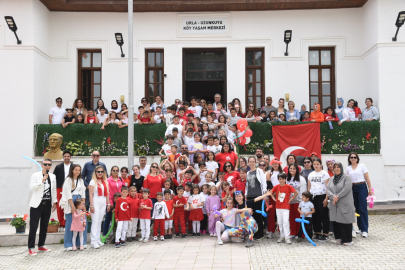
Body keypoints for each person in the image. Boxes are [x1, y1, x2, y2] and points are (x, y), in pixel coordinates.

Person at [28, 159, 57, 256]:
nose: (47, 166)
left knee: (44, 226)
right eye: (45, 164)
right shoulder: (35, 175)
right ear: (42, 165)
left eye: (49, 164)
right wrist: (42, 180)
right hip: (36, 204)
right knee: (34, 227)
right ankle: (31, 247)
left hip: (47, 204)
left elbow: (53, 190)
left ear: (51, 166)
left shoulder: (53, 176)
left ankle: (41, 245)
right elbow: (31, 188)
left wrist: (54, 202)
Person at [59, 164, 87, 251]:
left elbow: (83, 193)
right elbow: (67, 194)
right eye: (76, 170)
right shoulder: (68, 180)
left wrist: (83, 205)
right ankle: (69, 244)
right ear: (72, 170)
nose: (77, 172)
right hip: (71, 200)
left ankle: (81, 243)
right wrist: (72, 206)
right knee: (71, 222)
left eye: (79, 170)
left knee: (82, 220)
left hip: (79, 200)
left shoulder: (81, 180)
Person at [327, 162, 356, 246]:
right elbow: (328, 189)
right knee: (337, 221)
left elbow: (346, 188)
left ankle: (347, 240)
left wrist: (337, 197)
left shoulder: (347, 177)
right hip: (335, 203)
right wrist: (333, 197)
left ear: (341, 168)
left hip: (344, 202)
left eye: (338, 167)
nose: (336, 169)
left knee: (345, 221)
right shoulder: (331, 179)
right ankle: (340, 238)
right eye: (335, 167)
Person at [346, 152, 373, 238]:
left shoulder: (362, 166)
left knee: (363, 208)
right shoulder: (348, 168)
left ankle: (365, 230)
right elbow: (347, 180)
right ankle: (360, 228)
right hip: (353, 187)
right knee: (357, 209)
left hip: (362, 187)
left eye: (355, 157)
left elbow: (367, 179)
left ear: (357, 158)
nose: (353, 158)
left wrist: (370, 190)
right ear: (349, 159)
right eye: (351, 157)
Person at [270, 173, 298, 244]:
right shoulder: (276, 187)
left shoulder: (288, 186)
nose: (281, 180)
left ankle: (287, 237)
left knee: (285, 221)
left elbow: (295, 193)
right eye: (280, 179)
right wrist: (274, 199)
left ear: (285, 179)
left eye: (282, 179)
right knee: (280, 222)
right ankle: (281, 236)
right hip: (278, 206)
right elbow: (270, 193)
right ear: (278, 179)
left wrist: (290, 200)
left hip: (285, 206)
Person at [308, 158, 330, 241]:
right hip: (313, 196)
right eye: (314, 164)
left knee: (323, 215)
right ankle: (317, 232)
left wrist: (326, 198)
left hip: (322, 196)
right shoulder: (311, 174)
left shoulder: (324, 173)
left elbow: (327, 186)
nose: (316, 166)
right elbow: (309, 187)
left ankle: (325, 233)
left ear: (320, 165)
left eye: (317, 164)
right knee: (315, 215)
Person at [245, 157, 267, 240]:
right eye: (250, 162)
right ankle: (253, 232)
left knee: (258, 215)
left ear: (255, 163)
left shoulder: (259, 171)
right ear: (248, 163)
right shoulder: (247, 173)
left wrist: (264, 194)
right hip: (250, 196)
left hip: (258, 195)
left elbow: (264, 183)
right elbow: (247, 185)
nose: (251, 163)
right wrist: (246, 195)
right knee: (252, 216)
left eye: (253, 162)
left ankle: (260, 233)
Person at [88, 165, 110, 249]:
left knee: (100, 221)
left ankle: (97, 239)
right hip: (96, 200)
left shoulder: (105, 181)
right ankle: (93, 241)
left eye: (101, 171)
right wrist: (91, 205)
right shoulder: (92, 181)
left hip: (103, 201)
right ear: (95, 172)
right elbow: (90, 194)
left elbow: (107, 193)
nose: (100, 173)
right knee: (95, 222)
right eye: (98, 172)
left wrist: (108, 204)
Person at [286, 163, 308, 238]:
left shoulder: (301, 179)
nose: (292, 170)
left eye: (294, 169)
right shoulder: (287, 178)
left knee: (299, 218)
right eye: (290, 168)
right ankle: (293, 233)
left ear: (297, 170)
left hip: (298, 201)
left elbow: (303, 191)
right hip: (289, 201)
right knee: (291, 218)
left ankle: (300, 234)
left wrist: (302, 202)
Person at [53, 150, 72, 230]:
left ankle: (70, 223)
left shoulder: (74, 166)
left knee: (71, 205)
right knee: (60, 206)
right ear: (63, 157)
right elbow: (54, 178)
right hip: (60, 188)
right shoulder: (58, 167)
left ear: (70, 157)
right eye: (65, 156)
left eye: (68, 156)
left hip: (71, 188)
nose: (66, 158)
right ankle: (62, 224)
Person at [103, 166, 124, 237]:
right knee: (108, 219)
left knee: (119, 219)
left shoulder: (120, 179)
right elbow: (107, 192)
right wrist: (110, 203)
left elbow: (124, 190)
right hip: (111, 201)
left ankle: (117, 236)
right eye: (114, 170)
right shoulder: (108, 180)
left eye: (117, 170)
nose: (115, 172)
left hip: (120, 202)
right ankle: (105, 235)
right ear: (111, 171)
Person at [266, 158, 282, 238]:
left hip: (281, 195)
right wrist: (273, 192)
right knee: (271, 213)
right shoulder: (269, 172)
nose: (275, 165)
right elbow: (268, 184)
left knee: (281, 213)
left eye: (276, 163)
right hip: (272, 194)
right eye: (273, 163)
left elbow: (284, 183)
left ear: (279, 164)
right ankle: (271, 231)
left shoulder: (282, 172)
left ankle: (281, 230)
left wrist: (278, 192)